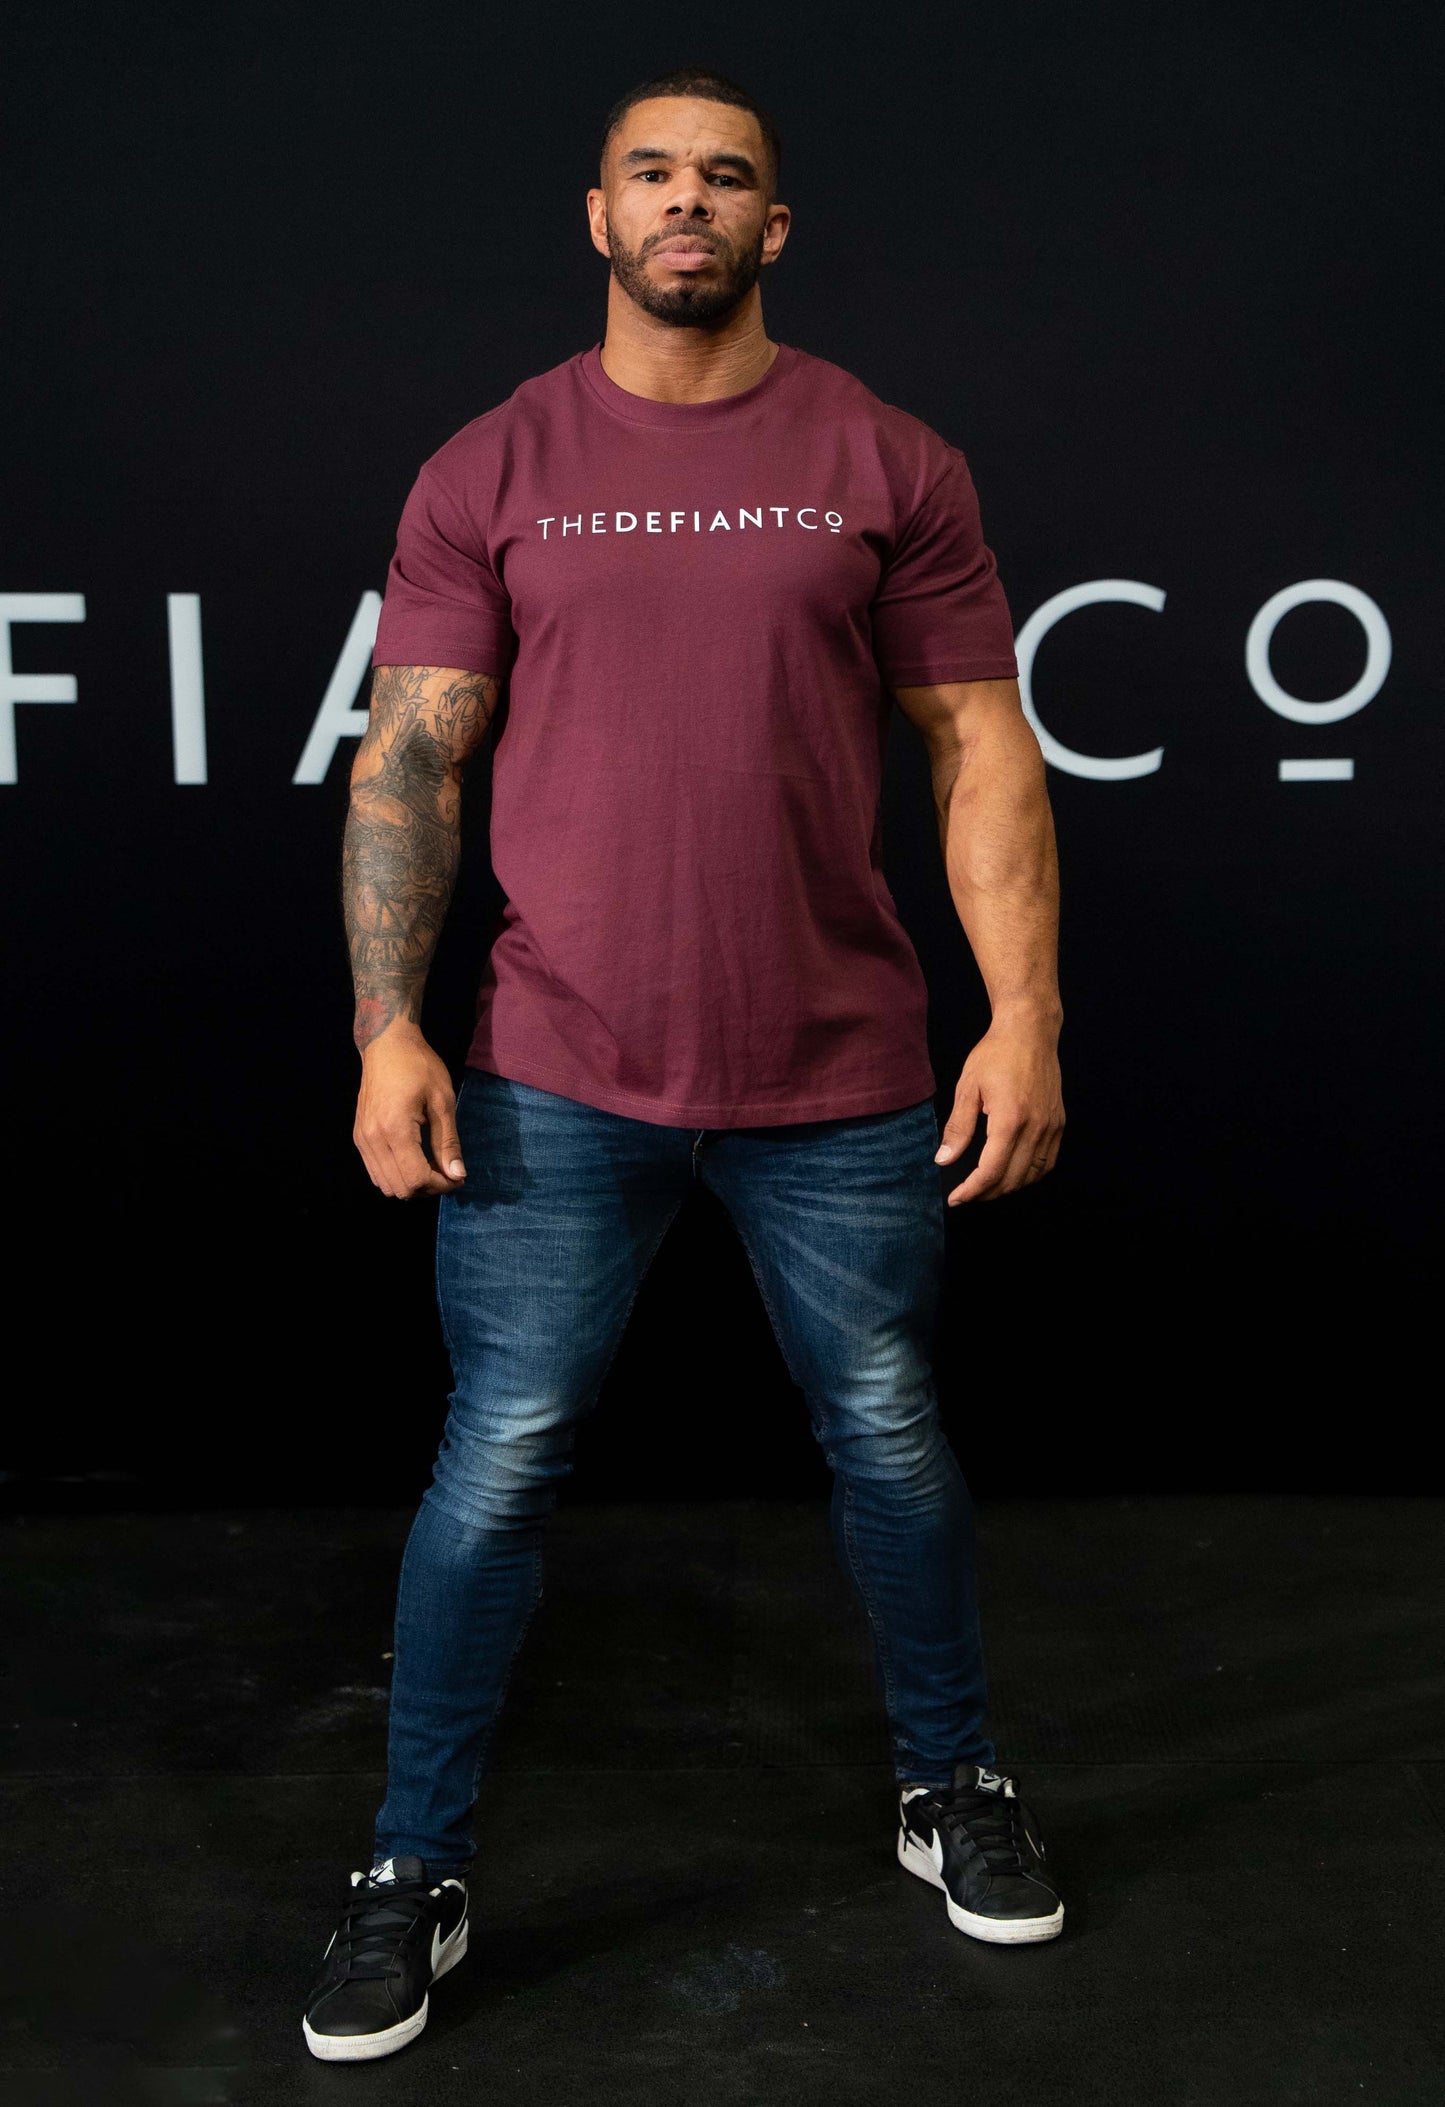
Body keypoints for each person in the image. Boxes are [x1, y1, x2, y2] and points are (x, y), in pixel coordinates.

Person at [302, 64, 1067, 2064]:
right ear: (598, 216)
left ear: (774, 229)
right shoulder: (493, 461)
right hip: (558, 1067)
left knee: (891, 1434)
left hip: (847, 1073)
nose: (688, 202)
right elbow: (411, 757)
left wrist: (1029, 1011)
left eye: (726, 177)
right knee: (507, 1456)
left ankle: (950, 1784)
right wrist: (389, 1025)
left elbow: (981, 746)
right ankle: (409, 1867)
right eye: (653, 173)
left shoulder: (891, 456)